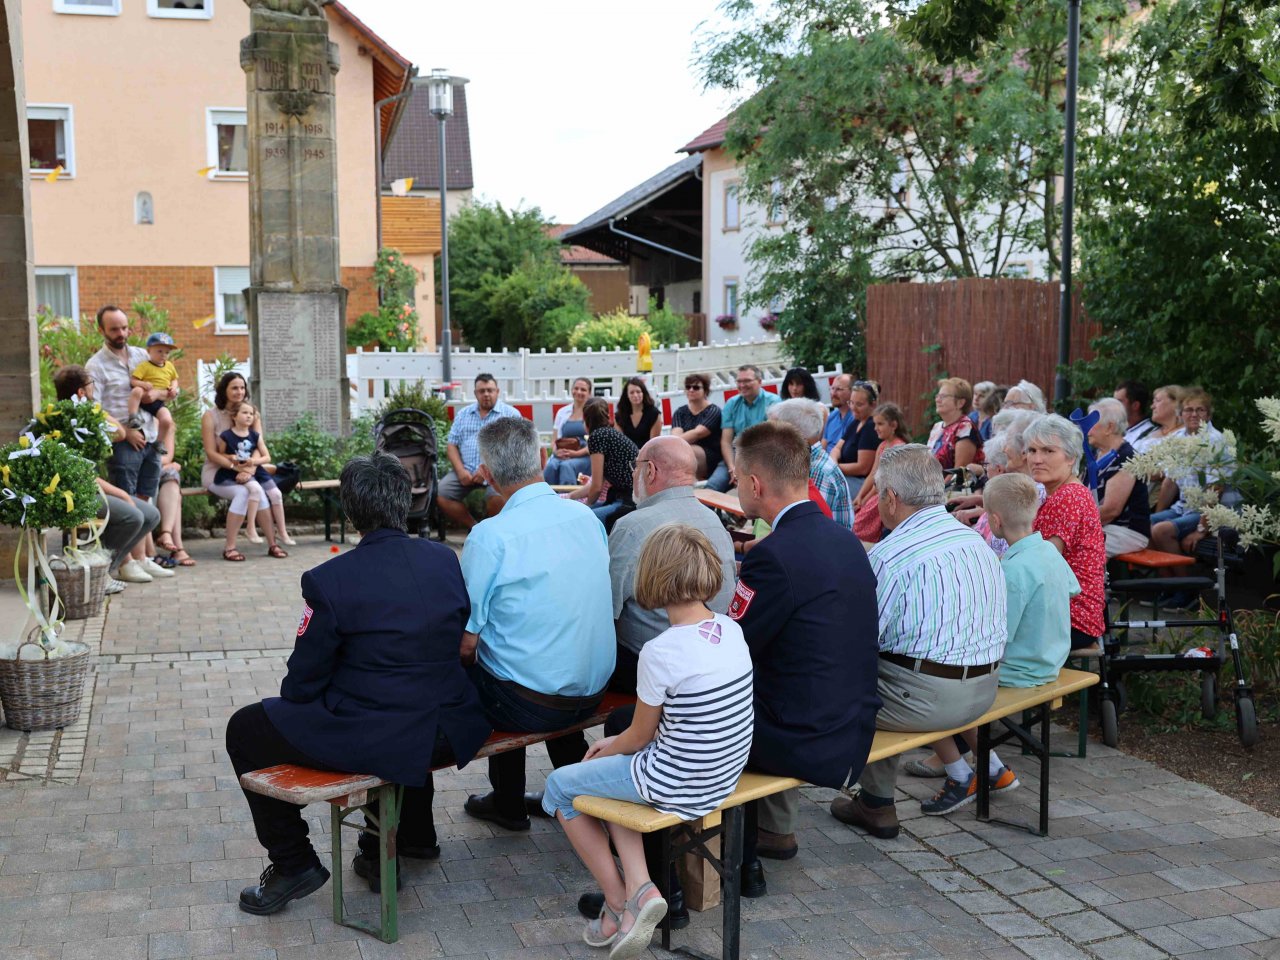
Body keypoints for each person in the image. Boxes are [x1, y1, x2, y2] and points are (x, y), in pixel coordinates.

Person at [225, 453, 492, 915]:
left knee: (245, 728)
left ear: (350, 511)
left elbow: (301, 686)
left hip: (394, 736)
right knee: (403, 701)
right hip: (454, 726)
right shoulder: (443, 558)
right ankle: (401, 841)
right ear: (403, 502)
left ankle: (294, 863)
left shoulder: (330, 579)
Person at [543, 525, 753, 959]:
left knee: (561, 787)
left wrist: (609, 745)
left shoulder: (661, 651)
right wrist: (618, 747)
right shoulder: (731, 631)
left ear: (655, 576)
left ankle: (619, 902)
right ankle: (641, 888)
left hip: (677, 784)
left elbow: (639, 734)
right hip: (723, 777)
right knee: (612, 776)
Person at [729, 421, 881, 879]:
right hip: (853, 725)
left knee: (669, 718)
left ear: (755, 485)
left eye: (737, 478)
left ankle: (693, 865)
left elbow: (734, 647)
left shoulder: (771, 555)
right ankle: (764, 838)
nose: (736, 486)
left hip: (810, 739)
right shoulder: (844, 539)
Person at [830, 444, 1005, 840]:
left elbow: (862, 642)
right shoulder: (974, 540)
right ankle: (882, 795)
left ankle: (874, 804)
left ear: (890, 498)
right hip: (985, 692)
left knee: (851, 678)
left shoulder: (891, 555)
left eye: (877, 493)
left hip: (934, 701)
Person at [459, 416, 615, 832]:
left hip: (531, 702)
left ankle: (508, 801)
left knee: (482, 666)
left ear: (488, 476)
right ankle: (579, 797)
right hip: (595, 687)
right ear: (543, 458)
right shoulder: (588, 519)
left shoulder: (490, 535)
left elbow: (466, 642)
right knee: (529, 654)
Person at [918, 473, 1078, 815]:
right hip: (1049, 658)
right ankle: (992, 770)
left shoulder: (1012, 569)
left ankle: (960, 775)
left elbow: (998, 635)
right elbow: (1071, 590)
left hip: (1022, 668)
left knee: (933, 689)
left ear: (994, 520)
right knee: (956, 683)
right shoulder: (1049, 553)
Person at [607, 436, 736, 692]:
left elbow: (606, 609)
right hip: (713, 660)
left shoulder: (632, 526)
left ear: (651, 470)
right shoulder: (714, 521)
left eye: (636, 466)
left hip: (650, 668)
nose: (633, 474)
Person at [84, 306, 173, 585]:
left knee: (145, 498)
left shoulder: (140, 355)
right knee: (126, 498)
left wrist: (165, 392)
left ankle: (144, 558)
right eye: (114, 329)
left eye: (124, 328)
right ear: (102, 330)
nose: (121, 334)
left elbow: (159, 387)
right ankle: (126, 562)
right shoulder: (95, 366)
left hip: (150, 435)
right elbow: (94, 408)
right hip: (123, 442)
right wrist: (125, 432)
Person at [52, 364, 161, 592]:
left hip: (88, 486)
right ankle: (97, 575)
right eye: (91, 385)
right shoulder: (69, 422)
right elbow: (82, 473)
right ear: (82, 392)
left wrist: (94, 408)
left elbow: (119, 433)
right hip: (74, 493)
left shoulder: (87, 416)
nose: (94, 389)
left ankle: (103, 566)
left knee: (150, 515)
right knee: (132, 516)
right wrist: (121, 493)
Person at [1026, 414, 1106, 652]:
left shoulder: (1068, 496)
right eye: (1031, 450)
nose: (1037, 459)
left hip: (1070, 618)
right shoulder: (1060, 493)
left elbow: (1044, 563)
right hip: (1062, 611)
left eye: (1048, 451)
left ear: (1070, 457)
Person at [201, 372, 293, 561]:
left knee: (258, 492)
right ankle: (230, 547)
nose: (239, 392)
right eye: (234, 387)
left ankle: (272, 544)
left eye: (242, 387)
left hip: (250, 471)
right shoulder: (210, 416)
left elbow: (258, 447)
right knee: (244, 493)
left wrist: (248, 471)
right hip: (218, 471)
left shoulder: (251, 413)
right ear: (224, 390)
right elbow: (212, 453)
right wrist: (238, 469)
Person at [1150, 388, 1231, 560]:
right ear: (1180, 414)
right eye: (1188, 410)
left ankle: (1185, 586)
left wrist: (1201, 530)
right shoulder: (1177, 438)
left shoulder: (1215, 440)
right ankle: (1164, 585)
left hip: (1210, 512)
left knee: (1161, 531)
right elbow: (1170, 482)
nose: (1194, 414)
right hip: (1183, 508)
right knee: (1145, 525)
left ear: (1208, 415)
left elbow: (1216, 488)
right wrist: (1157, 515)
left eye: (1200, 410)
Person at [437, 373, 523, 532]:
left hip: (498, 471)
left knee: (497, 498)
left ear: (497, 391)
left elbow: (516, 448)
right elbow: (451, 445)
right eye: (482, 391)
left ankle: (494, 532)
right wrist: (461, 471)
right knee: (442, 493)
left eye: (490, 390)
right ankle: (475, 528)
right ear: (475, 393)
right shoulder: (464, 414)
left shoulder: (511, 414)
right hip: (467, 470)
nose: (486, 394)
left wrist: (488, 469)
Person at [771, 398, 852, 529]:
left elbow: (808, 527)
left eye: (773, 431)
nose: (768, 438)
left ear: (792, 434)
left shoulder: (818, 471)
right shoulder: (805, 462)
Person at [1088, 397, 1151, 556]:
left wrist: (1075, 525)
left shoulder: (1127, 457)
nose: (1086, 429)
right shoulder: (1096, 455)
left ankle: (1095, 581)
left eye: (1091, 423)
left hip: (1127, 531)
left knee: (1082, 547)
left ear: (1109, 427)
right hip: (1102, 526)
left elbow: (1111, 510)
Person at [565, 397, 639, 527]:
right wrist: (571, 496)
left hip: (627, 501)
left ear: (585, 419)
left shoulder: (597, 438)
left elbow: (597, 487)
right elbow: (597, 483)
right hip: (632, 496)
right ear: (607, 415)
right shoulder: (610, 434)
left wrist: (585, 506)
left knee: (580, 520)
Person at [214, 401, 278, 546]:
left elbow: (265, 456)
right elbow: (221, 454)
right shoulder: (227, 435)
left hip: (252, 472)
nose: (249, 416)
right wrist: (230, 458)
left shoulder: (254, 435)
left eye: (251, 414)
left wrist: (252, 466)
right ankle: (249, 530)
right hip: (232, 472)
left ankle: (273, 536)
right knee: (253, 491)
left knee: (269, 493)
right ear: (234, 416)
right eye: (245, 413)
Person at [706, 365, 779, 492]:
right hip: (737, 454)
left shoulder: (773, 402)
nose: (742, 385)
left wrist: (743, 471)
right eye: (739, 381)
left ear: (760, 381)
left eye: (747, 381)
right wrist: (732, 467)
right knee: (711, 489)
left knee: (755, 492)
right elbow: (726, 441)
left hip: (763, 455)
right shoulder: (732, 403)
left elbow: (771, 439)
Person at [852, 402, 911, 543]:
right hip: (877, 491)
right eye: (875, 424)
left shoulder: (898, 448)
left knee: (860, 522)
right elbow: (872, 474)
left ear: (893, 425)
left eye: (880, 424)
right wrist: (860, 496)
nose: (875, 428)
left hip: (888, 495)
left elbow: (884, 482)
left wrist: (866, 500)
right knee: (856, 511)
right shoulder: (883, 445)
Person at [128, 331, 179, 463]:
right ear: (149, 351)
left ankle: (159, 442)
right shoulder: (145, 366)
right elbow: (133, 381)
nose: (163, 355)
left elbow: (174, 380)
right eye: (159, 351)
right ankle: (132, 416)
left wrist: (173, 387)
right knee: (136, 390)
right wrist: (143, 384)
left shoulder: (169, 366)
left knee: (167, 420)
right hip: (143, 398)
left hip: (157, 402)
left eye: (166, 352)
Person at [832, 379, 880, 499]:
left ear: (873, 404)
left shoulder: (871, 427)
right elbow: (837, 447)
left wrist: (834, 468)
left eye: (859, 404)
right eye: (851, 403)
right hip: (845, 475)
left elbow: (862, 468)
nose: (853, 408)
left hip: (860, 483)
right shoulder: (856, 421)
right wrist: (833, 462)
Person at [670, 372, 722, 480]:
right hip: (683, 451)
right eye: (688, 387)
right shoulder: (680, 412)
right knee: (681, 453)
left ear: (705, 390)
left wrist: (671, 445)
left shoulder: (713, 411)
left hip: (709, 455)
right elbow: (676, 434)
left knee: (686, 452)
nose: (691, 390)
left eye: (696, 387)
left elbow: (698, 433)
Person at [927, 377, 984, 471]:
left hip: (951, 485)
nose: (938, 400)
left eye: (943, 396)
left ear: (960, 403)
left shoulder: (965, 428)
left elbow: (958, 472)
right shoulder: (937, 427)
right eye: (938, 396)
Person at [544, 377, 593, 485]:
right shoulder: (562, 412)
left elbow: (595, 443)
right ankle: (549, 496)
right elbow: (554, 439)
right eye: (576, 388)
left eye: (583, 390)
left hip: (585, 456)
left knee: (566, 466)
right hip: (563, 454)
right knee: (551, 466)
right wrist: (556, 451)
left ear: (589, 393)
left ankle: (569, 498)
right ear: (572, 390)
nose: (579, 392)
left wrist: (576, 453)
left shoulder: (592, 412)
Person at [1130, 384, 1184, 455]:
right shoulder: (1148, 433)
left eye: (1157, 401)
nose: (1152, 406)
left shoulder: (1187, 434)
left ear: (1176, 403)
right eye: (1153, 402)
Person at [616, 377, 663, 450]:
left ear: (643, 393)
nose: (635, 395)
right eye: (631, 392)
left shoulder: (654, 414)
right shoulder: (620, 416)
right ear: (627, 395)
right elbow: (619, 443)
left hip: (647, 455)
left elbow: (653, 444)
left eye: (638, 392)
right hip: (626, 456)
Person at [1115, 380, 1158, 448]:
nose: (1113, 406)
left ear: (1135, 405)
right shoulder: (1117, 430)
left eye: (1119, 402)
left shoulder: (1150, 435)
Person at [822, 373, 855, 454]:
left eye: (839, 389)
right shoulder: (832, 416)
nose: (833, 393)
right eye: (832, 388)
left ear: (852, 391)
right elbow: (823, 447)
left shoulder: (856, 418)